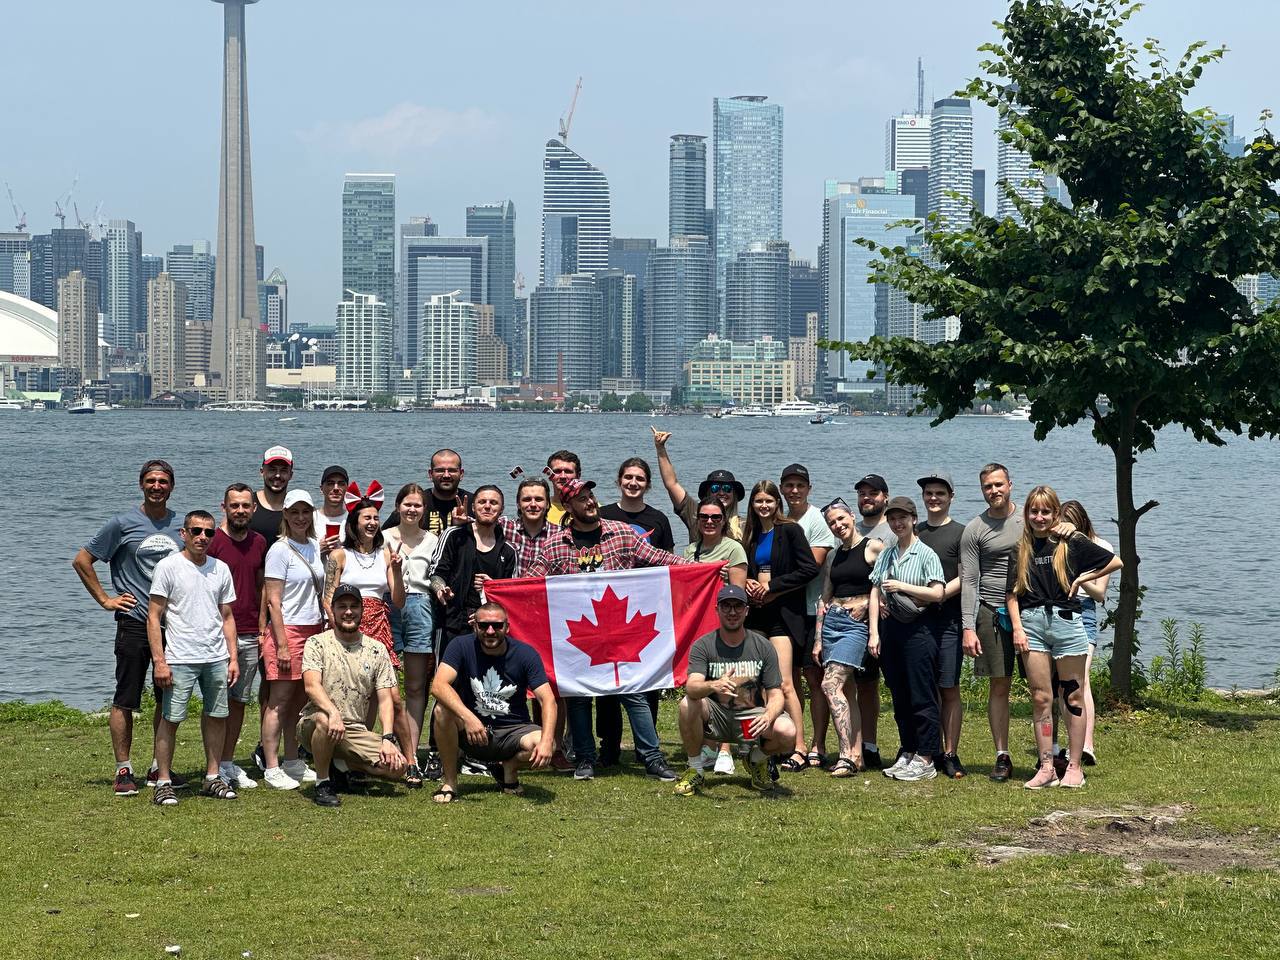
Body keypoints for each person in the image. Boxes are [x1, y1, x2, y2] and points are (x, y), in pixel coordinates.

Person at [524, 478, 681, 782]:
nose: (590, 502)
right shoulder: (556, 544)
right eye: (581, 499)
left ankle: (652, 758)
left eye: (591, 496)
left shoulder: (620, 532)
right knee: (578, 696)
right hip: (579, 636)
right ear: (568, 506)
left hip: (619, 631)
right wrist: (495, 590)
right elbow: (530, 583)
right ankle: (585, 758)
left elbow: (658, 559)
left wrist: (696, 567)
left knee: (634, 691)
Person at [72, 458, 185, 797]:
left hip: (172, 625)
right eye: (151, 481)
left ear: (171, 486)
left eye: (163, 481)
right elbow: (82, 560)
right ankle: (124, 768)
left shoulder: (182, 525)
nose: (156, 486)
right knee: (126, 697)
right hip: (134, 622)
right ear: (141, 484)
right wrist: (106, 600)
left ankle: (157, 766)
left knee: (168, 696)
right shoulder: (122, 524)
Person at [1007, 487, 1121, 789]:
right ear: (1027, 514)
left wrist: (1083, 577)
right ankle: (1046, 766)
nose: (1040, 517)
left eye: (1046, 512)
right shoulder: (1020, 549)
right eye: (1034, 511)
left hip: (1067, 623)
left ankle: (1074, 766)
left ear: (1056, 514)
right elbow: (1011, 595)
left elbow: (1115, 561)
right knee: (1041, 696)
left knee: (1072, 695)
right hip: (1032, 625)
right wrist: (1017, 628)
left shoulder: (1071, 544)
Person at [146, 510, 240, 805]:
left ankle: (212, 777)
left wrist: (233, 658)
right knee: (170, 719)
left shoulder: (220, 569)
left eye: (209, 532)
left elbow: (227, 616)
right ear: (183, 534)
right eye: (196, 531)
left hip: (215, 656)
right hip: (179, 656)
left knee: (217, 716)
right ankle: (162, 780)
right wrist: (160, 661)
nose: (202, 537)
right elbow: (154, 616)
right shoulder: (168, 567)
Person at [323, 490, 415, 777]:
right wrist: (338, 629)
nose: (373, 522)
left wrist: (397, 571)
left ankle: (411, 761)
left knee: (390, 697)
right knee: (352, 695)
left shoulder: (386, 553)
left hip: (379, 626)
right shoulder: (339, 555)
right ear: (354, 522)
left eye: (376, 517)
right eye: (367, 518)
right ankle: (353, 755)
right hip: (347, 625)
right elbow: (327, 599)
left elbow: (398, 600)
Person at [429, 600, 558, 802]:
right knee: (441, 711)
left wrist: (548, 741)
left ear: (507, 627)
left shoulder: (526, 653)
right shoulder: (460, 646)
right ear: (475, 626)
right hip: (473, 731)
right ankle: (450, 782)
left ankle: (510, 767)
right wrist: (468, 718)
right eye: (484, 626)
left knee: (547, 743)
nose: (490, 631)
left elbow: (548, 700)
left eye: (497, 625)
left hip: (514, 731)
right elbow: (438, 685)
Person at [673, 585, 796, 796]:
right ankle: (695, 768)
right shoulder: (703, 645)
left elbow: (776, 693)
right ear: (717, 610)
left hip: (750, 722)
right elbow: (691, 686)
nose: (732, 612)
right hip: (716, 719)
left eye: (738, 606)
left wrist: (768, 715)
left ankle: (756, 760)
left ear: (747, 611)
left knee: (787, 731)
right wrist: (713, 685)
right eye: (726, 606)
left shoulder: (762, 646)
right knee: (687, 703)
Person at [298, 584, 407, 808]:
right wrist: (332, 712)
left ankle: (341, 765)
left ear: (362, 610)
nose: (348, 612)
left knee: (397, 768)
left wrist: (388, 738)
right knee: (325, 722)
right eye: (342, 606)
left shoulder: (377, 649)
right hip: (316, 722)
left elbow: (386, 698)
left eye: (354, 606)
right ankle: (323, 783)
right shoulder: (317, 643)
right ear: (333, 611)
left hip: (354, 730)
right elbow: (311, 686)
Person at [597, 456, 675, 764]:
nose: (633, 483)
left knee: (647, 678)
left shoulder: (658, 519)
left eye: (639, 478)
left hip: (645, 609)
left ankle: (648, 744)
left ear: (648, 484)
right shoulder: (603, 515)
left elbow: (667, 562)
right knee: (606, 679)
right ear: (618, 481)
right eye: (628, 477)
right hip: (608, 609)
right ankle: (609, 746)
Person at [742, 479, 820, 772]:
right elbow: (749, 569)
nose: (764, 506)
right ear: (752, 504)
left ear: (778, 504)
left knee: (785, 682)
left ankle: (799, 747)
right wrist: (750, 582)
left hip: (784, 617)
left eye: (769, 501)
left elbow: (809, 569)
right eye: (759, 501)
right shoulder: (750, 535)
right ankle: (770, 743)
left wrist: (773, 587)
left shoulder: (790, 530)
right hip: (757, 616)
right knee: (760, 684)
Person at [868, 496, 946, 783]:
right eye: (893, 519)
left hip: (919, 630)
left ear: (914, 519)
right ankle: (908, 749)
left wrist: (903, 586)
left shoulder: (926, 554)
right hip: (892, 630)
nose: (898, 523)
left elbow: (938, 592)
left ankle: (927, 756)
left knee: (921, 694)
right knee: (899, 694)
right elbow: (876, 591)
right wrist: (874, 632)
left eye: (903, 518)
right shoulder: (887, 553)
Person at [497, 476, 572, 772]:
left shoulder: (560, 533)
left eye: (539, 499)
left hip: (548, 619)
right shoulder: (504, 528)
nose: (533, 504)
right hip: (510, 617)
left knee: (552, 684)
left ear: (547, 503)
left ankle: (554, 747)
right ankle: (512, 743)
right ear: (518, 503)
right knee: (510, 682)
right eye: (526, 499)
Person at [959, 463, 1023, 782]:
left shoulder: (1029, 519)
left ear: (1010, 484)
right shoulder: (975, 529)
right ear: (982, 490)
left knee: (1045, 689)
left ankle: (1051, 752)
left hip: (1030, 612)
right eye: (988, 487)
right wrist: (968, 626)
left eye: (999, 484)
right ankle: (1002, 755)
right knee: (1000, 685)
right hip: (991, 611)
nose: (994, 491)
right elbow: (970, 580)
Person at [259, 489, 326, 790]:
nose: (300, 517)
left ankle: (292, 760)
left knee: (300, 701)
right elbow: (273, 600)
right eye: (294, 512)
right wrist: (282, 644)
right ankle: (271, 765)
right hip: (288, 630)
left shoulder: (314, 545)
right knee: (279, 701)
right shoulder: (279, 550)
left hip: (313, 629)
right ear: (285, 514)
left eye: (305, 511)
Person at [814, 499, 885, 777]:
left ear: (852, 517)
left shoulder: (873, 547)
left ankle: (844, 755)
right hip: (833, 622)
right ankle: (856, 755)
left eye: (842, 519)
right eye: (832, 522)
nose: (838, 525)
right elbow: (825, 595)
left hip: (857, 626)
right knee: (847, 690)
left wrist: (868, 605)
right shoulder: (833, 556)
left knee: (830, 685)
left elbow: (886, 583)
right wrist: (819, 638)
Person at [682, 496, 750, 776]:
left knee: (728, 687)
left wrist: (719, 578)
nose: (709, 522)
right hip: (699, 631)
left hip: (724, 631)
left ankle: (726, 750)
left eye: (716, 518)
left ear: (724, 521)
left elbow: (739, 594)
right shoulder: (690, 551)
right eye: (704, 517)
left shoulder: (733, 550)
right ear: (697, 521)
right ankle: (706, 748)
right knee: (703, 689)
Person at [207, 483, 267, 790]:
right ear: (224, 507)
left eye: (246, 505)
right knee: (217, 704)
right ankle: (213, 768)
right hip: (216, 636)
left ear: (254, 509)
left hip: (249, 635)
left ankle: (228, 763)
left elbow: (260, 587)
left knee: (239, 700)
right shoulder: (211, 540)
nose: (240, 510)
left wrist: (261, 627)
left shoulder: (258, 542)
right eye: (235, 506)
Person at [780, 463, 838, 768]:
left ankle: (818, 744)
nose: (794, 491)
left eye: (799, 486)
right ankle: (793, 741)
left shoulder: (816, 520)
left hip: (812, 610)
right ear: (782, 489)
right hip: (785, 611)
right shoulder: (778, 518)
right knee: (787, 680)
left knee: (814, 678)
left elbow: (812, 566)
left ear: (809, 489)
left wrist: (771, 581)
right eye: (788, 486)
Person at [383, 483, 441, 783]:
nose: (412, 509)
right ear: (397, 506)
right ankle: (385, 745)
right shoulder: (383, 538)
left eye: (418, 505)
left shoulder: (434, 540)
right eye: (407, 504)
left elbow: (437, 576)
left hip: (421, 607)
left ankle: (412, 752)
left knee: (416, 686)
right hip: (387, 607)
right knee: (384, 685)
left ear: (424, 510)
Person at [914, 470, 967, 779]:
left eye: (940, 493)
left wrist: (938, 594)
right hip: (917, 621)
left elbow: (967, 575)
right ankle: (927, 747)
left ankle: (950, 752)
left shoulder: (961, 532)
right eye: (929, 493)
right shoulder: (915, 531)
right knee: (924, 687)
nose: (933, 498)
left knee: (948, 687)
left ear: (950, 497)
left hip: (948, 621)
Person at [1059, 499, 1115, 767]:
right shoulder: (1057, 547)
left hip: (1085, 609)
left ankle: (1087, 745)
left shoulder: (1101, 548)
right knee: (1059, 682)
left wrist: (1081, 578)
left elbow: (1100, 593)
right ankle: (1066, 744)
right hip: (1060, 609)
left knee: (1082, 678)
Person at [431, 485, 517, 647]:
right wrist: (441, 589)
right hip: (453, 623)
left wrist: (492, 586)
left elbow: (511, 594)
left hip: (491, 629)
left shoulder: (509, 551)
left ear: (501, 509)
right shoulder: (453, 536)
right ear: (473, 507)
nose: (487, 506)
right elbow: (436, 572)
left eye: (493, 503)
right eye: (482, 502)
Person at [851, 472, 892, 769]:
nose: (867, 497)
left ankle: (911, 746)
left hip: (893, 619)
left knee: (901, 685)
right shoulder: (850, 531)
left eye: (873, 493)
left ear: (885, 498)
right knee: (865, 685)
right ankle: (868, 745)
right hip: (858, 623)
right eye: (863, 493)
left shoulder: (894, 529)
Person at [651, 426, 746, 542]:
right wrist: (660, 449)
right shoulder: (696, 514)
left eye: (727, 488)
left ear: (734, 494)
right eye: (715, 488)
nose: (721, 492)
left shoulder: (745, 526)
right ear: (707, 493)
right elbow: (672, 484)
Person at [250, 445, 293, 549]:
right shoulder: (246, 504)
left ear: (291, 475)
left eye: (283, 470)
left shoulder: (297, 507)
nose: (277, 475)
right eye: (272, 469)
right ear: (262, 471)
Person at [313, 465, 350, 557]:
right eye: (330, 483)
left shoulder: (353, 520)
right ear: (321, 489)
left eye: (341, 483)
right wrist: (319, 548)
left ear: (347, 489)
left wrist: (342, 550)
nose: (336, 488)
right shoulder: (310, 519)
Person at [545, 450, 582, 526]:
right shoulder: (541, 508)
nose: (562, 476)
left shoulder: (592, 507)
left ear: (578, 476)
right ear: (549, 475)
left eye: (568, 471)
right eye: (557, 471)